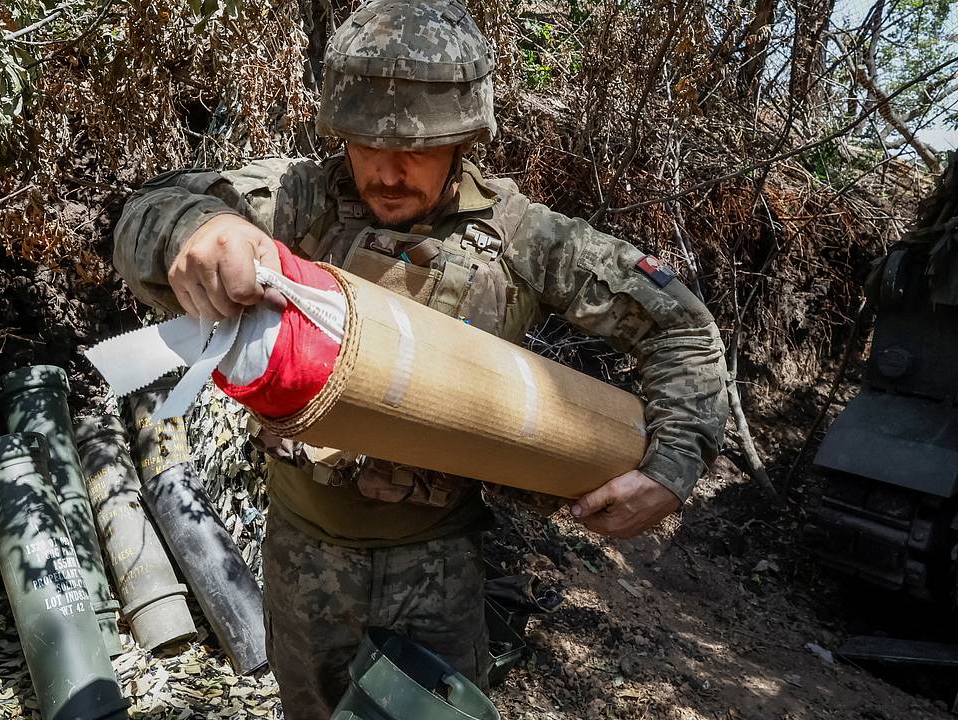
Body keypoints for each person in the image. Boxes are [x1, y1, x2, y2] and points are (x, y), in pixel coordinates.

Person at [112, 0, 729, 716]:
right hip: (300, 560)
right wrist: (199, 228)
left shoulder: (526, 238)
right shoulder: (303, 198)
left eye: (418, 147)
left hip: (438, 572)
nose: (388, 170)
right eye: (367, 142)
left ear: (465, 136)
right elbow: (151, 210)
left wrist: (672, 465)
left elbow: (680, 325)